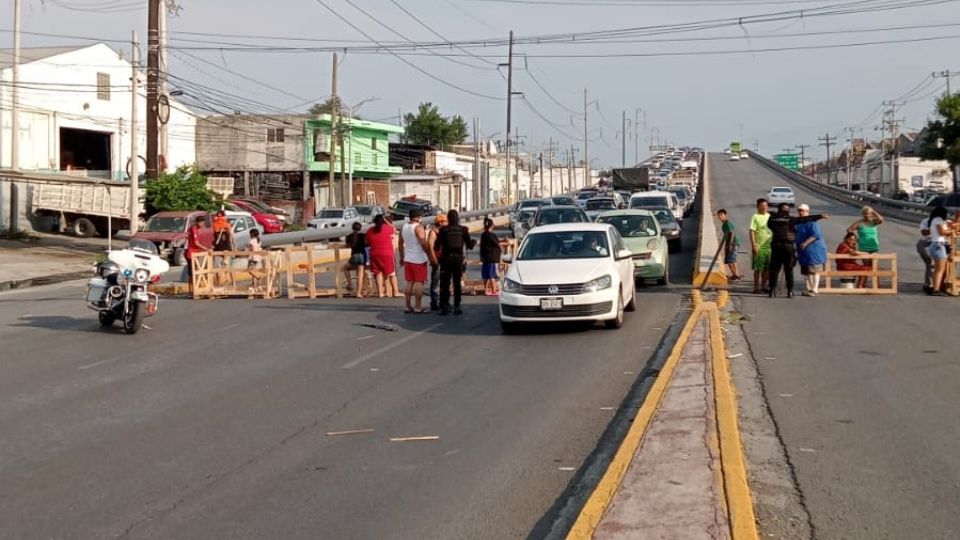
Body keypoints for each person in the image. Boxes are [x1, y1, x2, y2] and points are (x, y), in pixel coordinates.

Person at [765, 202, 828, 297]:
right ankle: (790, 291)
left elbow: (769, 226)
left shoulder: (772, 219)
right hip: (788, 247)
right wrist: (819, 216)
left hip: (776, 246)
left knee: (774, 269)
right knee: (788, 269)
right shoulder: (791, 220)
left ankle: (772, 290)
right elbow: (805, 219)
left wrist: (773, 214)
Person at [434, 210, 476, 315]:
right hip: (458, 260)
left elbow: (436, 246)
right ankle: (457, 306)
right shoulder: (463, 230)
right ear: (457, 218)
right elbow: (470, 246)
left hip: (446, 260)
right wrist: (474, 242)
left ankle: (444, 306)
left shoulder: (443, 230)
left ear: (448, 218)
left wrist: (439, 259)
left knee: (445, 284)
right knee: (457, 284)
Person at [398, 209, 437, 313]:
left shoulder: (403, 227)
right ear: (419, 217)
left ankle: (407, 305)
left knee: (409, 282)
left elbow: (400, 243)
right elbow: (423, 243)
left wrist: (401, 257)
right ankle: (418, 306)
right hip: (418, 258)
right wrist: (429, 254)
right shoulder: (418, 228)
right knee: (419, 282)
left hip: (408, 258)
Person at [795, 204, 828, 296]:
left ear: (807, 212)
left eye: (803, 211)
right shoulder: (799, 222)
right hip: (803, 250)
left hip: (814, 249)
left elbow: (816, 235)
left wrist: (805, 243)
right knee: (806, 269)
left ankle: (815, 289)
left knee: (815, 269)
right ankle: (810, 288)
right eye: (799, 210)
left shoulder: (812, 222)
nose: (801, 212)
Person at [365, 214, 396, 298]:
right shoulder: (387, 228)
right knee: (388, 273)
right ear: (383, 221)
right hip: (387, 253)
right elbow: (394, 228)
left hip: (374, 253)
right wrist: (385, 220)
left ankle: (380, 292)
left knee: (378, 273)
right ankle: (389, 291)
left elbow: (367, 241)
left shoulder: (370, 230)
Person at [749, 198, 772, 294]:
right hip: (759, 247)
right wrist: (754, 246)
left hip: (769, 248)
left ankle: (764, 286)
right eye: (762, 206)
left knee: (767, 269)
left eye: (765, 206)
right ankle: (756, 288)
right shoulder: (755, 216)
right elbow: (752, 231)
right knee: (758, 268)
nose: (764, 208)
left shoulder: (770, 216)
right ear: (757, 207)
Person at [927, 206, 951, 296]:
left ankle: (935, 287)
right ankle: (936, 289)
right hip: (938, 245)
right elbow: (941, 232)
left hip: (937, 245)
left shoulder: (934, 220)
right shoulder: (938, 220)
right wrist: (949, 231)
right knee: (939, 269)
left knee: (939, 269)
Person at [427, 213, 448, 311]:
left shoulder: (444, 231)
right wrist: (433, 259)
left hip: (445, 259)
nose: (447, 223)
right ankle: (434, 302)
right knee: (436, 282)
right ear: (440, 222)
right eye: (445, 221)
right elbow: (430, 247)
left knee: (444, 282)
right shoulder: (433, 232)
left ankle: (443, 302)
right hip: (437, 259)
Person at [184, 215, 211, 293]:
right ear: (197, 222)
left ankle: (194, 289)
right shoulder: (194, 229)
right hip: (190, 252)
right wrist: (206, 249)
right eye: (200, 222)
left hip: (194, 251)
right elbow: (196, 243)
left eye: (203, 222)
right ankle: (192, 290)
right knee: (192, 272)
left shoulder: (196, 229)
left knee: (194, 271)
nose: (202, 224)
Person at [342, 222, 368, 298]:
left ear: (352, 228)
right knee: (360, 275)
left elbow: (347, 245)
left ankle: (350, 283)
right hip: (362, 256)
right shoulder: (363, 236)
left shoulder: (350, 236)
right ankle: (358, 293)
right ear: (360, 228)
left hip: (354, 256)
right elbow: (367, 244)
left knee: (345, 268)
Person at [716, 209, 741, 281]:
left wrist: (729, 245)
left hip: (733, 244)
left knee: (730, 261)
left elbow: (732, 233)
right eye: (719, 215)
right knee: (731, 260)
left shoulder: (727, 223)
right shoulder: (724, 224)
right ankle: (735, 274)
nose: (720, 216)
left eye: (721, 215)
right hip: (730, 243)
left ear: (725, 215)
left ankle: (736, 275)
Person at [480, 218, 502, 296]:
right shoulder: (492, 235)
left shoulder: (483, 235)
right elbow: (497, 244)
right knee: (492, 275)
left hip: (485, 258)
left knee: (485, 275)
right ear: (491, 226)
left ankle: (486, 290)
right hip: (492, 258)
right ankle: (494, 291)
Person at [917, 214, 934, 294]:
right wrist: (935, 227)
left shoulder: (945, 222)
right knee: (930, 263)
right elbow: (924, 232)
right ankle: (929, 285)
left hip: (940, 244)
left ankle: (935, 283)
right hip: (925, 243)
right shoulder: (926, 221)